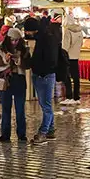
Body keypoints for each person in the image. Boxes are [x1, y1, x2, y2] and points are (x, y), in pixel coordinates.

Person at [25, 13, 61, 142]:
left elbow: (49, 59)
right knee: (45, 104)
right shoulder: (42, 37)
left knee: (45, 105)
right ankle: (50, 130)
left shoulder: (46, 39)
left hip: (44, 75)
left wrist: (38, 67)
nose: (27, 33)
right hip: (42, 74)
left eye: (28, 31)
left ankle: (43, 132)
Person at [0, 28, 29, 142]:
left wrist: (18, 60)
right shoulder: (0, 47)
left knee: (20, 109)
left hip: (19, 79)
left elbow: (27, 64)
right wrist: (5, 60)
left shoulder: (23, 49)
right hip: (6, 80)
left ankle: (21, 134)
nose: (14, 42)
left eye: (17, 40)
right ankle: (5, 134)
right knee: (6, 109)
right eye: (12, 40)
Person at [62, 10, 84, 104]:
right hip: (76, 56)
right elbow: (81, 43)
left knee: (67, 77)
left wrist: (63, 53)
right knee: (76, 77)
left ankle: (69, 96)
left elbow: (65, 45)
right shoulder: (80, 31)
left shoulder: (68, 31)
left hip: (68, 56)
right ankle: (77, 97)